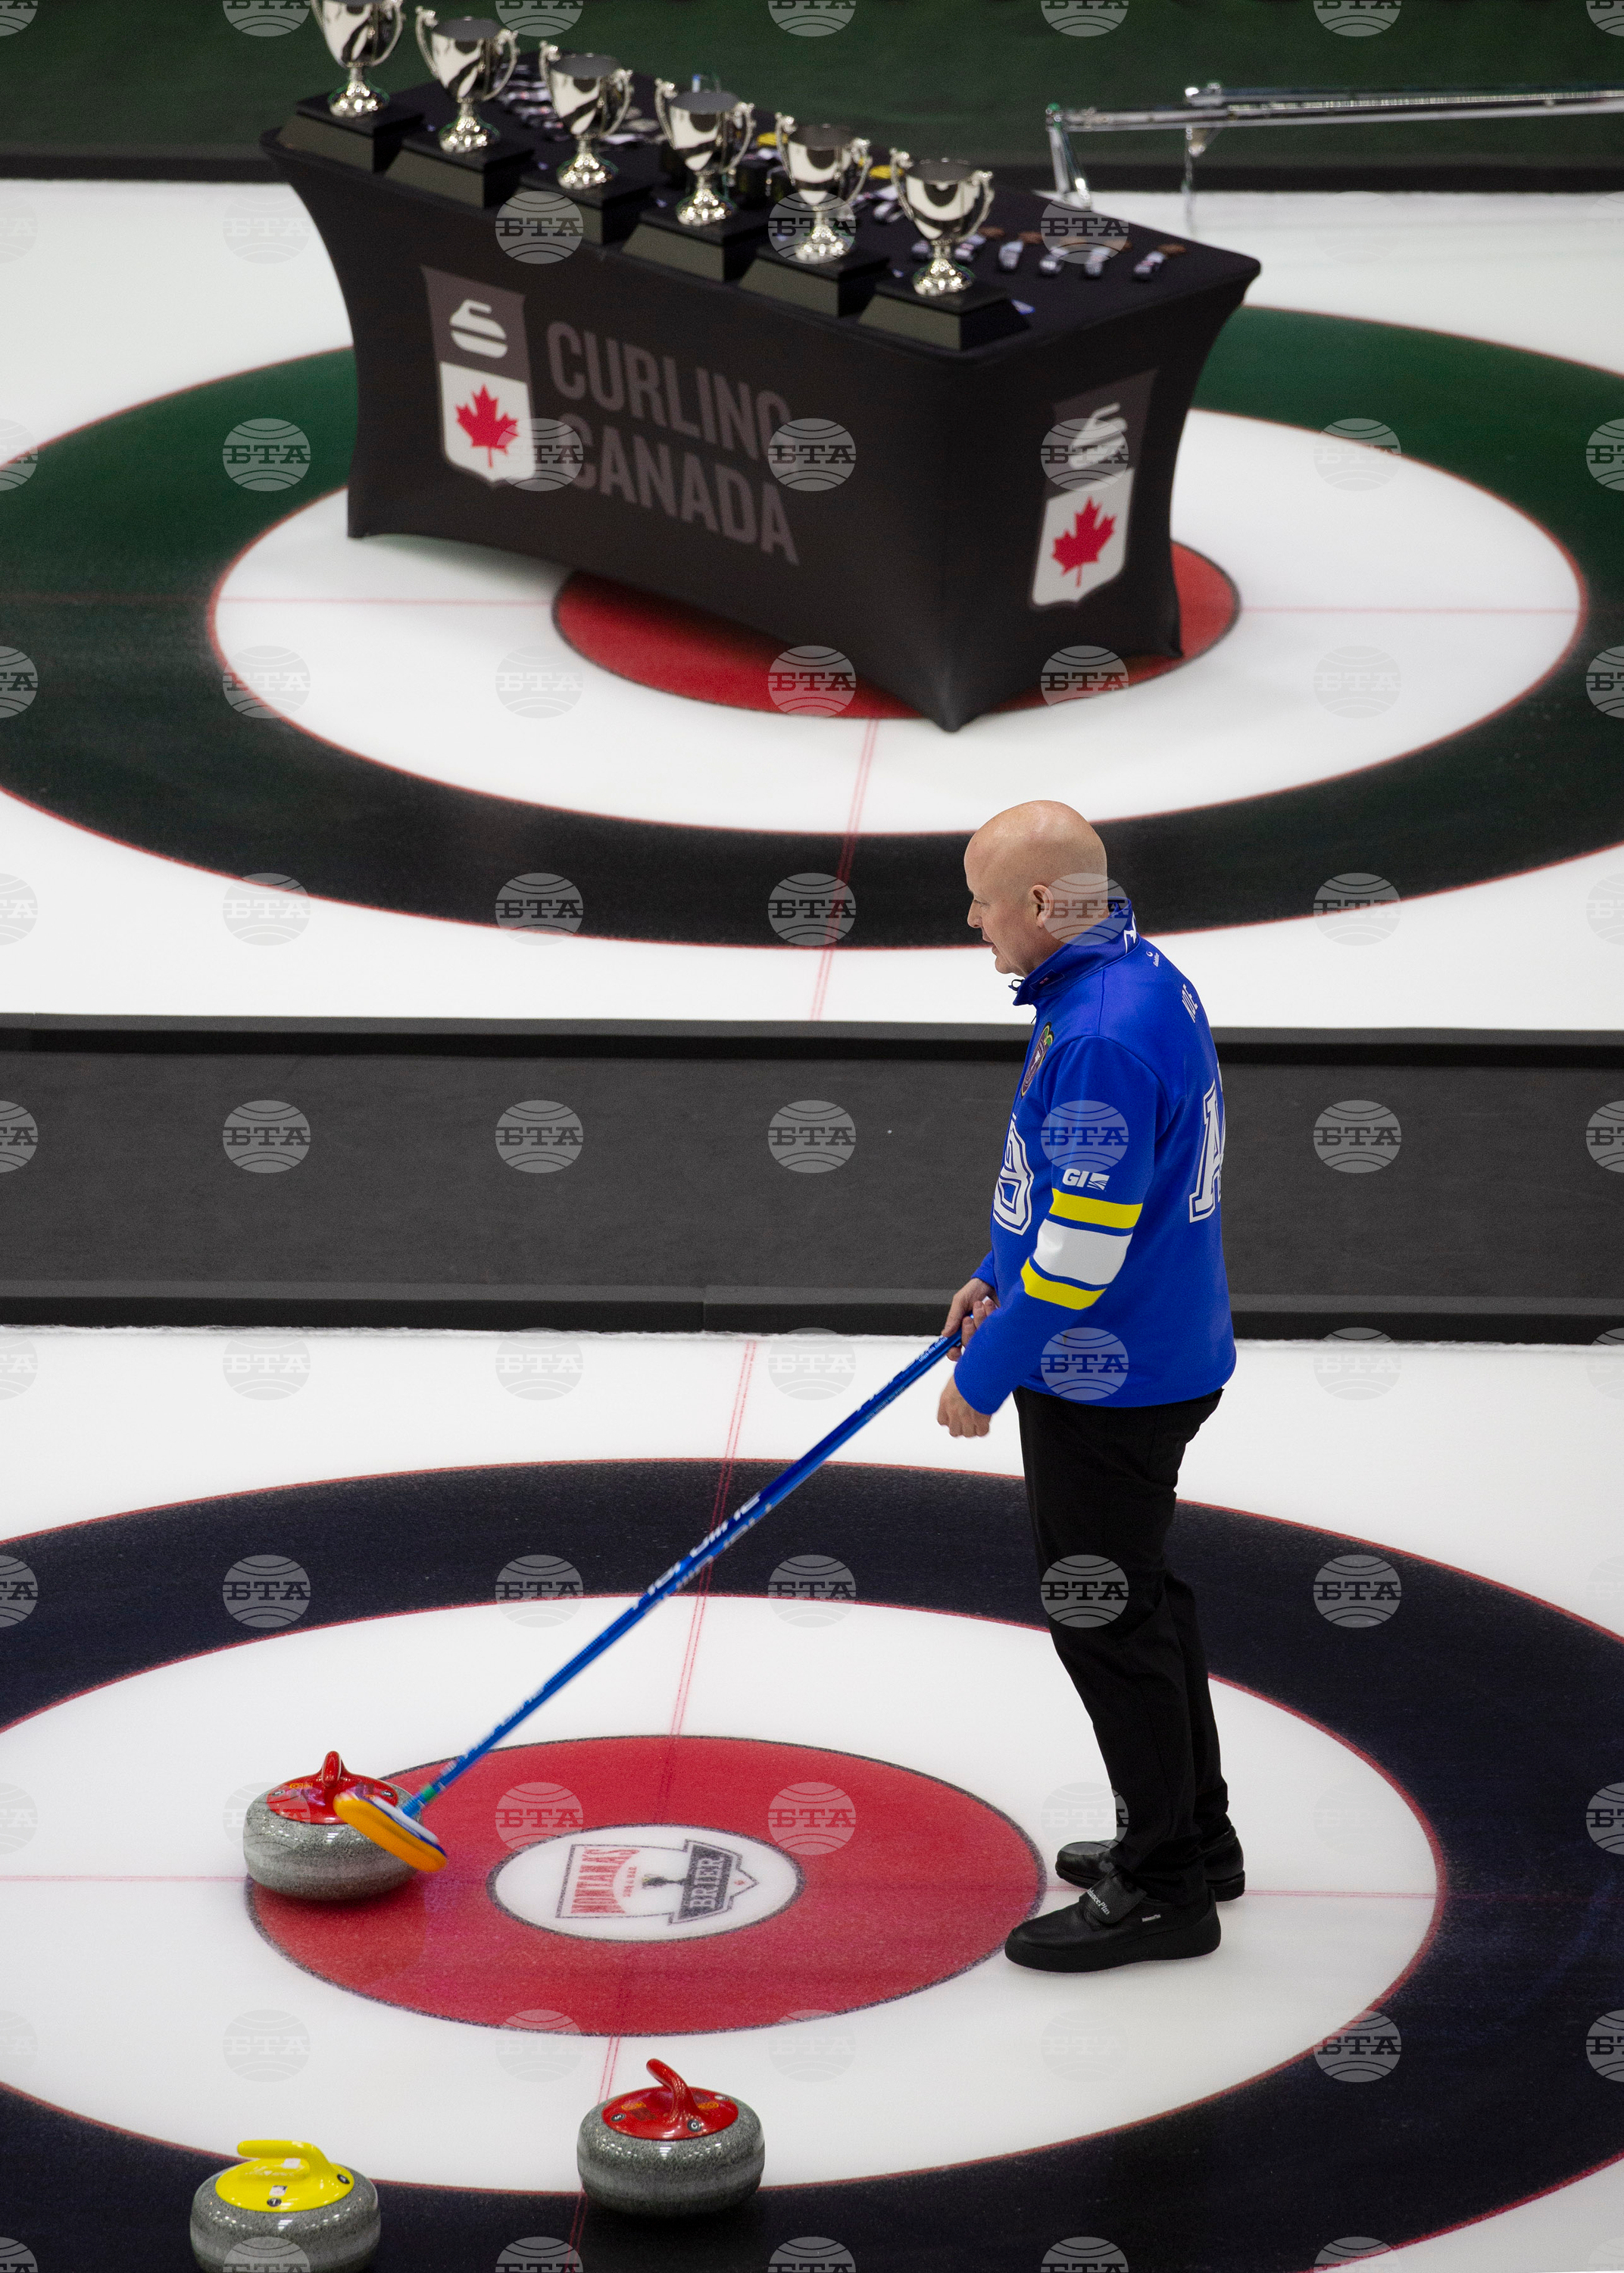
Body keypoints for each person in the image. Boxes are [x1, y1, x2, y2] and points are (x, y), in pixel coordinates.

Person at [938, 800, 1239, 1975]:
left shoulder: (1103, 1032)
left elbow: (1083, 1249)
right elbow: (1063, 1188)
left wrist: (990, 1366)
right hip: (1147, 1351)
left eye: (986, 900)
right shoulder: (1131, 978)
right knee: (1142, 1600)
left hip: (1105, 1378)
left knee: (1103, 1619)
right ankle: (1194, 1839)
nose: (972, 921)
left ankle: (1165, 1887)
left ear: (1049, 906)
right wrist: (989, 1277)